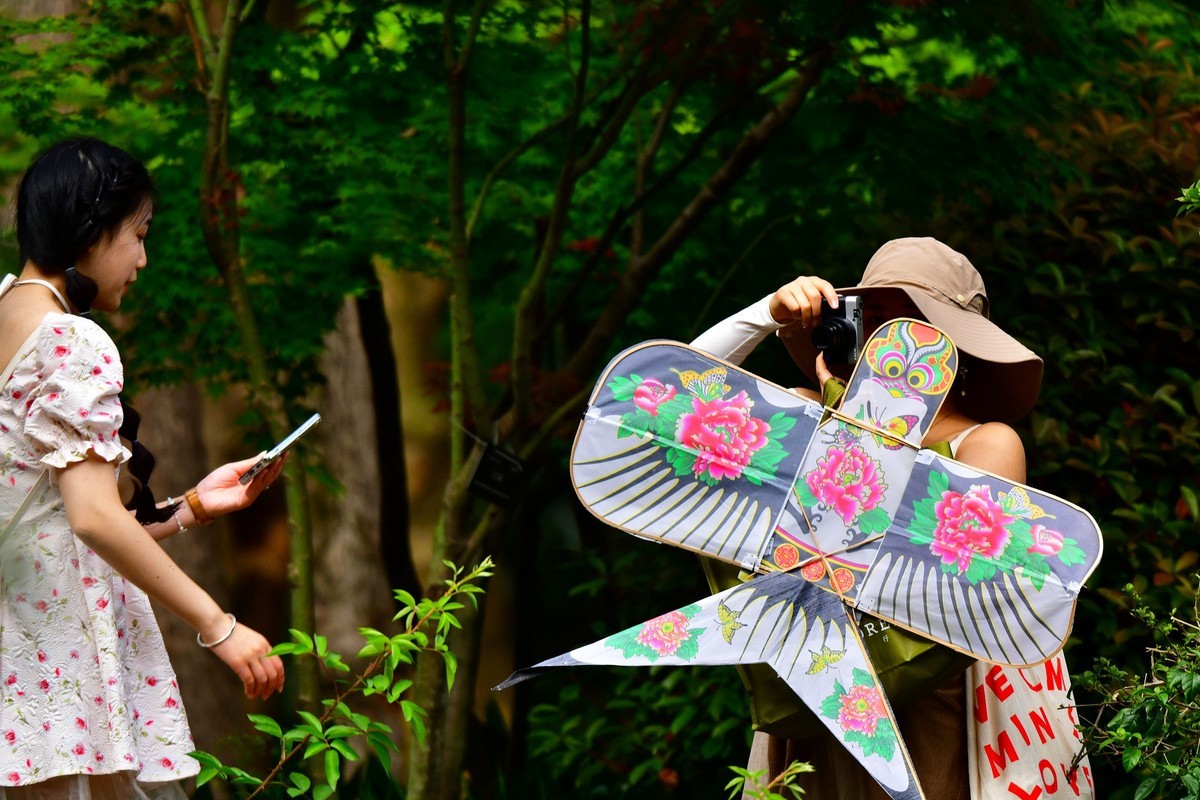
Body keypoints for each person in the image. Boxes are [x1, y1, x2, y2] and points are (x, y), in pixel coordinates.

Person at [692, 238, 1088, 799]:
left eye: (909, 323)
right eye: (871, 321)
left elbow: (945, 594)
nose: (886, 343)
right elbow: (675, 404)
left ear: (953, 342)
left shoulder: (987, 444)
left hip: (930, 709)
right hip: (819, 699)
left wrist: (843, 433)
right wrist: (764, 315)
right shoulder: (810, 406)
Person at [0, 138, 286, 799]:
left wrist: (189, 507)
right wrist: (220, 625)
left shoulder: (9, 315)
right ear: (93, 230)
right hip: (61, 672)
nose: (143, 259)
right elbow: (94, 518)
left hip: (23, 662)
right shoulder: (72, 340)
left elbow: (52, 524)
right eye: (138, 234)